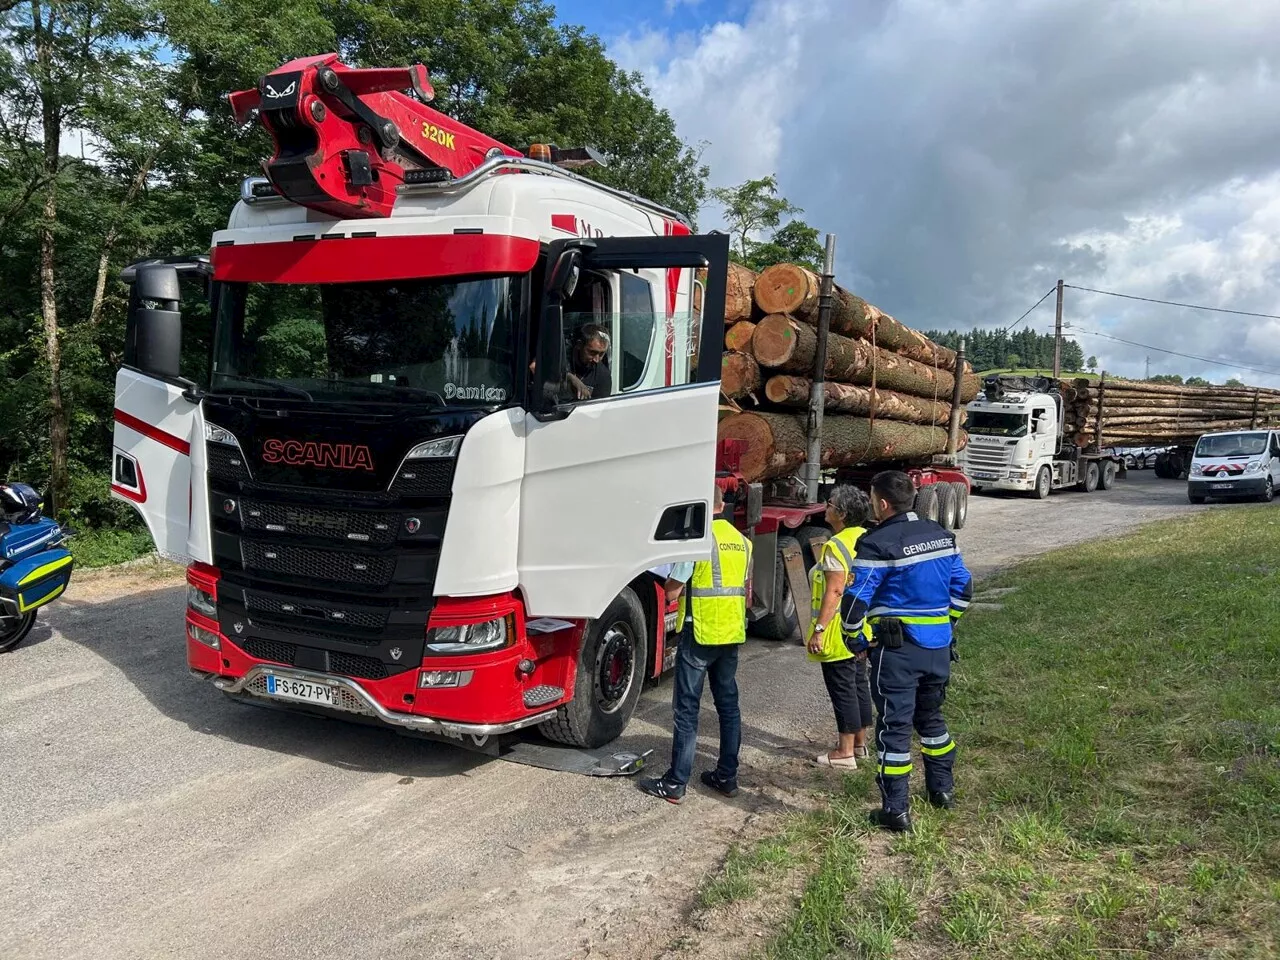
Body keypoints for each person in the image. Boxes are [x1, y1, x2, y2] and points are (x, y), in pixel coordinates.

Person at [841, 471, 973, 832]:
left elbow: (855, 600)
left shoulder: (877, 543)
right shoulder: (941, 535)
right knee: (931, 719)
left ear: (882, 503)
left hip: (897, 652)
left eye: (871, 500)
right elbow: (963, 586)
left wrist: (853, 638)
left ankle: (896, 810)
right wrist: (948, 622)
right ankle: (942, 790)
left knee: (894, 729)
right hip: (939, 647)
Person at [639, 485, 752, 803]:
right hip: (731, 634)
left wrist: (657, 571)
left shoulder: (699, 543)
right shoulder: (743, 542)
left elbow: (673, 593)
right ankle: (727, 777)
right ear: (721, 505)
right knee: (728, 707)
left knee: (687, 710)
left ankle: (676, 783)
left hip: (700, 633)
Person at [806, 485, 875, 769]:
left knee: (842, 688)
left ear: (842, 514)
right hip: (861, 625)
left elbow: (834, 591)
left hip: (837, 630)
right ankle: (859, 744)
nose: (826, 506)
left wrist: (819, 630)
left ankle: (844, 752)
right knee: (858, 683)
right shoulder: (865, 537)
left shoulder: (835, 546)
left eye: (830, 504)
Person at [569, 323, 613, 399]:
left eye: (601, 354)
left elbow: (599, 408)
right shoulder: (562, 359)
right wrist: (569, 377)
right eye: (592, 352)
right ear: (579, 345)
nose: (597, 360)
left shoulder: (602, 376)